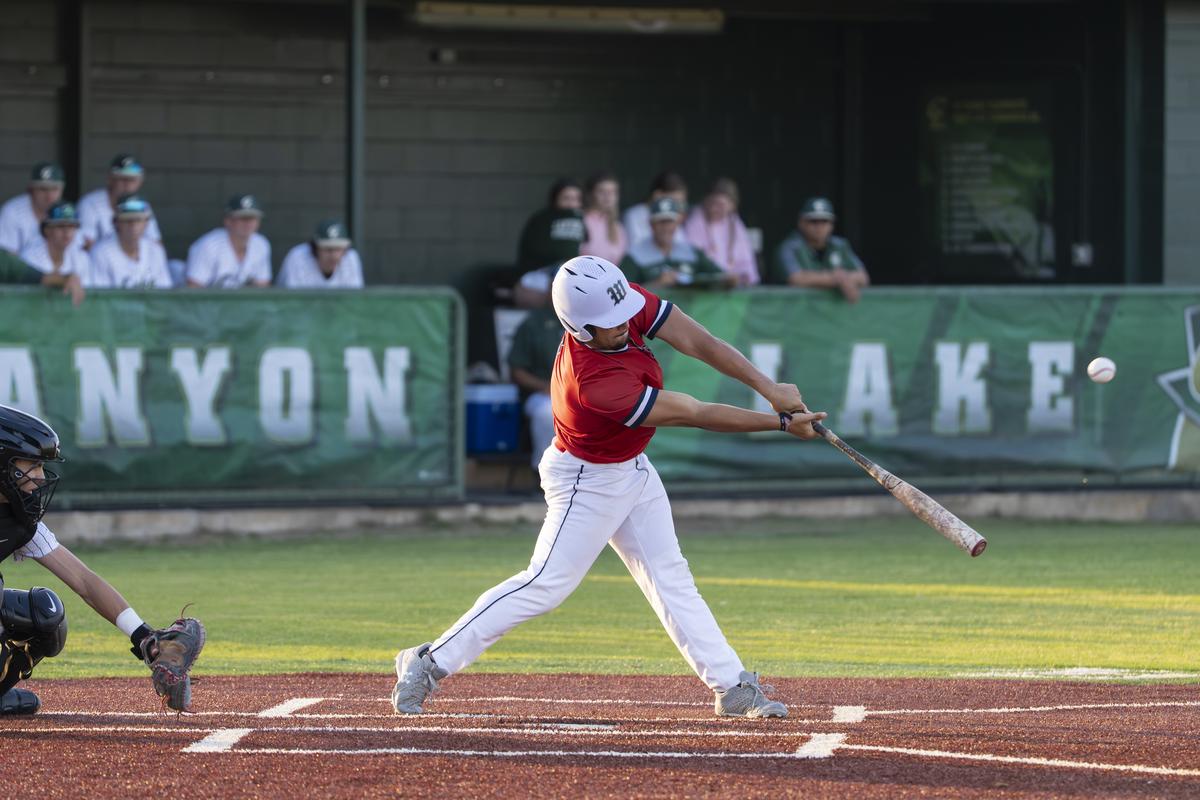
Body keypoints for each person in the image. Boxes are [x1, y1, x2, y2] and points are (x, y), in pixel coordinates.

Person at [391, 255, 827, 719]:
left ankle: (731, 685)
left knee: (670, 576)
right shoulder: (595, 383)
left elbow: (699, 341)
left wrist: (768, 387)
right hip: (587, 480)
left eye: (622, 315)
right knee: (546, 583)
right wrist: (780, 423)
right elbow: (694, 413)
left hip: (631, 468)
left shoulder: (618, 300)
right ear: (578, 327)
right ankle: (429, 661)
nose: (622, 324)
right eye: (608, 323)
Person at [0, 404, 205, 715]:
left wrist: (145, 638)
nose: (40, 477)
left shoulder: (19, 522)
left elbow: (84, 580)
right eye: (33, 465)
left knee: (45, 613)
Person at [620, 197, 735, 290]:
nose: (666, 227)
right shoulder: (635, 255)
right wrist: (657, 284)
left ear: (677, 223)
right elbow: (623, 293)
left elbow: (720, 276)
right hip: (653, 312)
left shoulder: (691, 252)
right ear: (651, 224)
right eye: (661, 222)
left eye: (670, 222)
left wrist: (729, 280)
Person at [772, 197, 869, 303]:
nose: (819, 226)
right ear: (801, 222)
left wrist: (842, 278)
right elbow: (796, 279)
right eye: (813, 221)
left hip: (831, 310)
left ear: (832, 224)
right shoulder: (790, 247)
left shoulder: (839, 245)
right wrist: (836, 279)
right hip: (794, 308)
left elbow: (863, 277)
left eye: (824, 221)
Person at [512, 178, 586, 309]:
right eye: (566, 198)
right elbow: (536, 250)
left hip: (574, 270)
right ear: (555, 199)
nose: (571, 203)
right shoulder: (542, 219)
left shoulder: (582, 219)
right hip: (541, 271)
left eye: (576, 199)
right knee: (563, 275)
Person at [506, 306, 563, 469]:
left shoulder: (592, 320)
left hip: (582, 393)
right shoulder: (533, 323)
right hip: (542, 393)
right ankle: (545, 471)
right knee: (547, 413)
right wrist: (545, 386)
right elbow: (517, 372)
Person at [684, 177, 760, 286]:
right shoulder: (696, 220)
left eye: (720, 205)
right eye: (711, 203)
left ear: (732, 205)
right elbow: (694, 258)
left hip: (733, 287)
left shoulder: (735, 223)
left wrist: (740, 277)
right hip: (705, 287)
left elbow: (746, 265)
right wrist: (721, 277)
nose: (714, 209)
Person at [77, 154, 163, 250]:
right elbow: (86, 244)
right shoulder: (90, 203)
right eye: (122, 179)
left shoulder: (142, 205)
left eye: (132, 180)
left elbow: (156, 243)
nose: (127, 185)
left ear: (139, 182)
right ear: (110, 179)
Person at [87, 195, 173, 289]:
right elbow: (101, 295)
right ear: (115, 222)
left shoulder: (155, 250)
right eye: (127, 220)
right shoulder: (101, 252)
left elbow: (165, 291)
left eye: (138, 220)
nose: (133, 225)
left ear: (146, 223)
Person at [185, 194, 272, 288]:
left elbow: (263, 286)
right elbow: (193, 287)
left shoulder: (261, 244)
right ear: (228, 221)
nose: (248, 223)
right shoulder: (208, 245)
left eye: (252, 218)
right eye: (242, 218)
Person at [18, 202, 89, 305]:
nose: (67, 232)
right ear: (47, 230)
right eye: (60, 226)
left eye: (71, 226)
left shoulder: (81, 257)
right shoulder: (30, 256)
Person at [0, 163, 67, 256]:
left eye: (54, 189)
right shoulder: (12, 212)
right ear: (30, 190)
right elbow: (5, 256)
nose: (49, 196)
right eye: (43, 189)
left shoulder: (66, 212)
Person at [276, 220, 364, 289]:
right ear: (315, 248)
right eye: (328, 249)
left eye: (338, 249)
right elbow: (293, 302)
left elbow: (354, 300)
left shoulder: (351, 258)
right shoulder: (298, 257)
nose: (333, 255)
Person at [622, 170, 689, 250]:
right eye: (674, 201)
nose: (678, 206)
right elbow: (636, 249)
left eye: (680, 203)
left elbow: (682, 247)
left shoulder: (675, 216)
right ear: (657, 195)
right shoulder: (634, 216)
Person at [579, 171, 627, 265]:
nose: (608, 196)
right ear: (590, 194)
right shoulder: (581, 220)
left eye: (613, 192)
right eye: (601, 191)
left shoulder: (617, 226)